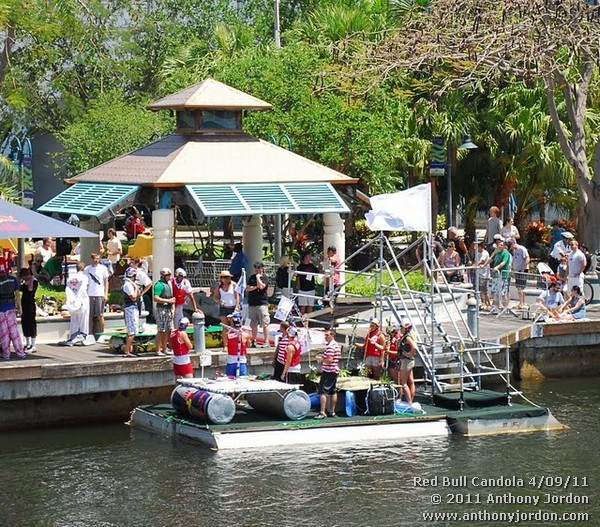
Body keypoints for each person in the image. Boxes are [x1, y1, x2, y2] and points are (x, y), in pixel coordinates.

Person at [315, 328, 342, 419]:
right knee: (332, 391)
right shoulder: (336, 345)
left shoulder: (330, 347)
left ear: (332, 336)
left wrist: (321, 360)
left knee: (322, 391)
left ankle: (322, 412)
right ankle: (332, 411)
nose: (325, 337)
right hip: (334, 370)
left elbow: (329, 360)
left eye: (327, 335)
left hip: (328, 371)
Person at [0, 262, 25, 359]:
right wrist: (20, 307)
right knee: (14, 331)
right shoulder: (13, 279)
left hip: (1, 309)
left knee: (4, 333)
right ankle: (20, 352)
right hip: (11, 307)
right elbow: (17, 295)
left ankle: (6, 353)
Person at [64, 262, 89, 345]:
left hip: (72, 302)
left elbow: (68, 290)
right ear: (83, 269)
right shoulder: (84, 277)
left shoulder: (70, 278)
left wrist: (71, 301)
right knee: (83, 320)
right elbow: (82, 290)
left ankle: (73, 336)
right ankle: (83, 336)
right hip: (82, 301)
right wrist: (79, 300)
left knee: (74, 320)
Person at [85, 252, 110, 335]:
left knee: (100, 315)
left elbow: (106, 282)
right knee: (90, 316)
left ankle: (102, 333)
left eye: (98, 259)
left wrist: (105, 294)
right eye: (95, 258)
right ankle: (90, 333)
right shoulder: (87, 269)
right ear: (92, 259)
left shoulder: (103, 268)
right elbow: (85, 282)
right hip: (90, 294)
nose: (96, 260)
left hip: (100, 294)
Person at [247, 261, 270, 347]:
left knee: (265, 323)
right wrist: (255, 287)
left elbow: (261, 286)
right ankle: (254, 340)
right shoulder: (251, 277)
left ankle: (266, 341)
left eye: (258, 267)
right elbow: (247, 288)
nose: (256, 269)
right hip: (252, 303)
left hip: (262, 303)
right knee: (253, 324)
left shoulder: (265, 277)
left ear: (262, 268)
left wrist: (258, 278)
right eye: (255, 267)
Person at [213, 270, 239, 345]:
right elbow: (215, 297)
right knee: (225, 326)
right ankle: (225, 345)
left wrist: (236, 308)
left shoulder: (233, 285)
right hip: (224, 308)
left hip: (232, 308)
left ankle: (233, 344)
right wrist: (220, 301)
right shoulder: (219, 286)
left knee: (233, 326)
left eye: (227, 277)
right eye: (223, 277)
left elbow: (237, 297)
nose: (225, 279)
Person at [153, 267, 175, 356]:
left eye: (169, 275)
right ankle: (158, 350)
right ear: (163, 276)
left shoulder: (168, 284)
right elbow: (156, 298)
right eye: (167, 275)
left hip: (168, 309)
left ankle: (165, 349)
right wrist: (168, 301)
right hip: (161, 309)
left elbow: (171, 298)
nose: (169, 277)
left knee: (167, 330)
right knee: (161, 330)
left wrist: (172, 308)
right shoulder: (159, 285)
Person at [486, 239, 511, 310]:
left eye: (501, 245)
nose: (499, 246)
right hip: (496, 275)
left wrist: (497, 267)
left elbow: (504, 262)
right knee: (495, 291)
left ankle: (505, 308)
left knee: (503, 293)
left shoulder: (506, 253)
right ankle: (496, 307)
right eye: (498, 244)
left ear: (504, 246)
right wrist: (484, 265)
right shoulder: (496, 252)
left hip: (503, 275)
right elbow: (491, 259)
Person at [225, 312, 252, 377]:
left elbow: (226, 345)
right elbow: (248, 345)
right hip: (241, 360)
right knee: (242, 379)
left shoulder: (227, 334)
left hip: (231, 360)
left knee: (229, 379)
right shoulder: (245, 335)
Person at [121, 266, 140, 357]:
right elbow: (133, 297)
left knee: (133, 330)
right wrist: (136, 288)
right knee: (131, 331)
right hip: (130, 308)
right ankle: (127, 351)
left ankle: (130, 350)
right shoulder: (128, 285)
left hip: (133, 307)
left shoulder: (130, 284)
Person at [396, 322, 417, 404]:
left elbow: (414, 347)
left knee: (403, 383)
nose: (400, 329)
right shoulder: (405, 337)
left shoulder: (407, 338)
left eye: (402, 328)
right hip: (408, 361)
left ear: (406, 329)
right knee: (410, 381)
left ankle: (409, 402)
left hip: (406, 361)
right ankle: (411, 400)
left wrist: (409, 354)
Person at [19, 267, 38, 352]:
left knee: (31, 323)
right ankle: (27, 343)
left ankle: (33, 344)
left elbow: (30, 289)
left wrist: (30, 280)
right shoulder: (24, 283)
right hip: (24, 304)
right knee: (25, 323)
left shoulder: (34, 281)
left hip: (30, 304)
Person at [509, 240, 530, 309]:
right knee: (519, 287)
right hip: (517, 270)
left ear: (513, 243)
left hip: (522, 270)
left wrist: (523, 269)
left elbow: (527, 259)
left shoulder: (522, 249)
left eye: (510, 246)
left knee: (521, 287)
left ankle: (522, 303)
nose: (511, 248)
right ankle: (521, 302)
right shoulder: (514, 250)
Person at [476, 242, 491, 310]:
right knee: (482, 290)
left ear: (481, 247)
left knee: (484, 290)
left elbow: (482, 261)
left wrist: (475, 265)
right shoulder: (477, 253)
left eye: (478, 246)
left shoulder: (485, 253)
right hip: (479, 274)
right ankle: (486, 304)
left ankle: (485, 303)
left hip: (484, 275)